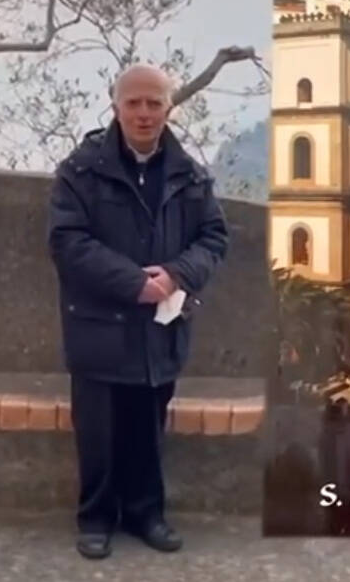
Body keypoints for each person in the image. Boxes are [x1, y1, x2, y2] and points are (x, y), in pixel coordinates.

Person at [47, 64, 229, 559]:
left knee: (147, 430)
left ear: (169, 109)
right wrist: (134, 284)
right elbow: (67, 242)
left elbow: (213, 237)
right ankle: (97, 518)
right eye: (135, 103)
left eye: (154, 103)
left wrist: (175, 277)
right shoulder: (81, 170)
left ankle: (147, 514)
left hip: (159, 329)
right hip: (99, 329)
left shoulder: (189, 175)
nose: (144, 113)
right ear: (116, 108)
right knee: (100, 434)